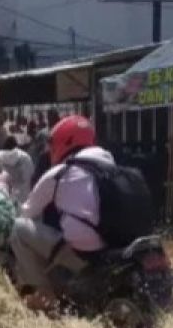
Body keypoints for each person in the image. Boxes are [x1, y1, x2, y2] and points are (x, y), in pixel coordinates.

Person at [11, 115, 114, 306]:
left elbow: (27, 212)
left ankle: (43, 295)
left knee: (17, 228)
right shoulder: (112, 166)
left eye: (52, 144)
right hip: (114, 250)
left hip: (82, 254)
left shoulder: (60, 173)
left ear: (65, 141)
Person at [0, 136, 36, 205]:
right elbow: (32, 176)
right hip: (22, 198)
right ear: (16, 146)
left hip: (2, 198)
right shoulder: (26, 158)